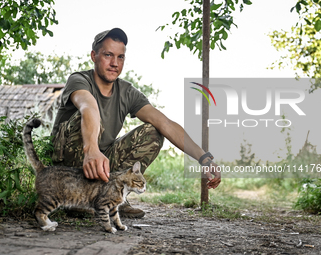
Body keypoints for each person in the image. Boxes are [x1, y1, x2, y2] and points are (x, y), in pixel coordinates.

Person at [51, 28, 221, 218]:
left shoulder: (126, 91)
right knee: (93, 116)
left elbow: (164, 122)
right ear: (94, 56)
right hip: (67, 167)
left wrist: (204, 158)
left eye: (120, 57)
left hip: (102, 161)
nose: (115, 63)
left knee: (153, 132)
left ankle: (113, 198)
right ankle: (75, 199)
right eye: (108, 55)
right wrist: (91, 149)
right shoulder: (79, 80)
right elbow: (88, 106)